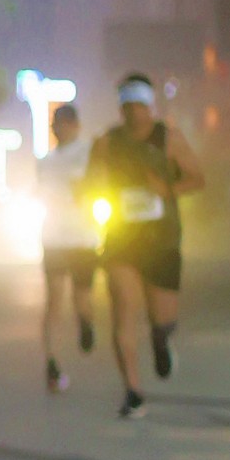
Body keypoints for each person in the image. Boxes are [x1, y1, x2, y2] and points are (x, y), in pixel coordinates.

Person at [86, 73, 204, 420]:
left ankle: (160, 338)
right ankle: (133, 392)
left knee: (163, 317)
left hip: (162, 240)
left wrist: (167, 190)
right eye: (127, 105)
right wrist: (95, 192)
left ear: (150, 106)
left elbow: (197, 179)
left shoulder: (170, 138)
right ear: (120, 108)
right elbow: (90, 182)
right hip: (121, 239)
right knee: (123, 309)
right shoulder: (106, 142)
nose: (134, 112)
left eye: (139, 105)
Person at [35, 100, 97, 393]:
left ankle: (86, 323)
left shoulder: (89, 153)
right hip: (54, 238)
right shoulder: (45, 160)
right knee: (53, 300)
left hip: (83, 238)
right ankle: (51, 361)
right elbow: (40, 192)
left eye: (63, 124)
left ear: (75, 125)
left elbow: (98, 184)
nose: (58, 129)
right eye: (54, 125)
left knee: (82, 297)